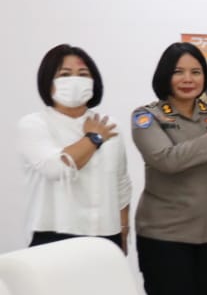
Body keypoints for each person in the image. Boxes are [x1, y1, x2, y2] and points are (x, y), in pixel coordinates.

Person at [131, 42, 207, 295]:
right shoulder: (147, 117)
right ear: (165, 76)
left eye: (195, 72)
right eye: (178, 72)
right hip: (164, 237)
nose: (188, 79)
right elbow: (166, 160)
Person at [18, 45, 131, 249]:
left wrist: (123, 228)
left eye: (83, 74)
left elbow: (121, 183)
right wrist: (93, 138)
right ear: (49, 82)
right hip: (53, 232)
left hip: (106, 233)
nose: (75, 80)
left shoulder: (110, 125)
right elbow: (57, 168)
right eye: (65, 74)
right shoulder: (34, 124)